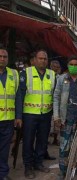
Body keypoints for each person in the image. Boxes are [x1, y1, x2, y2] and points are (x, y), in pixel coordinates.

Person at [17, 49, 56, 179]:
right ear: (35, 60)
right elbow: (20, 95)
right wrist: (19, 115)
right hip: (29, 114)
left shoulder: (52, 74)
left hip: (46, 113)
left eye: (45, 59)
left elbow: (54, 95)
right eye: (40, 58)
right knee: (28, 141)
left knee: (42, 140)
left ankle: (38, 163)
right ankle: (28, 166)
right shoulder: (26, 73)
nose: (43, 61)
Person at [53, 56, 77, 179]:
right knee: (64, 146)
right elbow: (56, 98)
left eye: (76, 64)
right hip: (66, 118)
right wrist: (56, 116)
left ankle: (75, 165)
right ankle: (63, 171)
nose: (73, 66)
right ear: (68, 65)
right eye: (71, 64)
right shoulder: (61, 79)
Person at [0, 47, 22, 180]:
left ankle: (3, 174)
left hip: (8, 119)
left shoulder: (14, 74)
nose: (2, 59)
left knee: (4, 149)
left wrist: (18, 116)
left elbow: (18, 97)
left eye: (5, 57)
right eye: (0, 56)